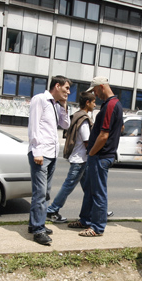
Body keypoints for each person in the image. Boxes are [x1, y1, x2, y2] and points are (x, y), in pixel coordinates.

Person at [69, 76, 123, 237]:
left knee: (98, 192)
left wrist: (92, 152)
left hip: (100, 156)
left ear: (101, 86)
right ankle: (85, 220)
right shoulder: (113, 104)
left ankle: (97, 227)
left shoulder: (110, 106)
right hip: (100, 155)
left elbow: (104, 135)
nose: (94, 95)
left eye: (94, 90)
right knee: (91, 191)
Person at [27, 75, 71, 245]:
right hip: (41, 153)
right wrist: (37, 150)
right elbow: (34, 125)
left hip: (51, 154)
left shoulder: (55, 105)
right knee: (39, 193)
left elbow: (66, 125)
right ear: (57, 86)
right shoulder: (40, 99)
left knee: (45, 192)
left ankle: (35, 224)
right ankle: (38, 230)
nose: (68, 92)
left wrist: (64, 106)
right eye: (66, 88)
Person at [46, 91, 96, 224]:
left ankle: (95, 209)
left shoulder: (76, 116)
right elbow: (87, 142)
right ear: (87, 103)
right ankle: (52, 209)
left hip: (80, 158)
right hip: (80, 160)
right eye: (93, 102)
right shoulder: (84, 120)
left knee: (89, 188)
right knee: (68, 185)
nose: (95, 105)